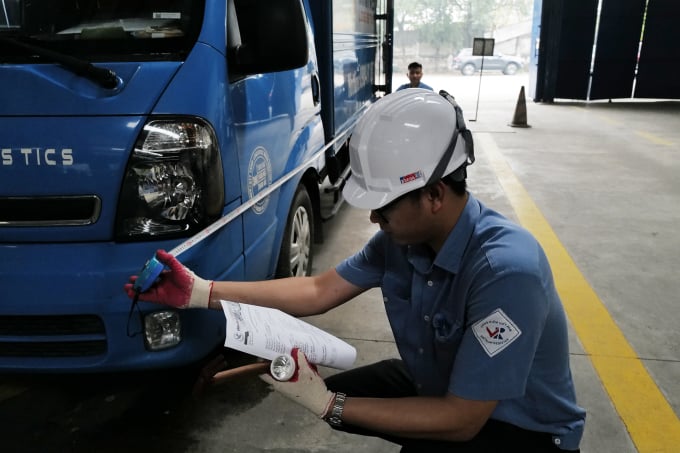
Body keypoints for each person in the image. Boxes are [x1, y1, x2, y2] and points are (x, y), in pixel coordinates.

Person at [124, 89, 585, 452]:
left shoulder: (506, 272)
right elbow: (319, 290)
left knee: (343, 405)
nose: (372, 220)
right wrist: (201, 292)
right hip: (445, 383)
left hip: (519, 430)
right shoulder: (402, 240)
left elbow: (462, 420)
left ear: (435, 194)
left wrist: (330, 405)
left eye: (382, 207)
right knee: (337, 392)